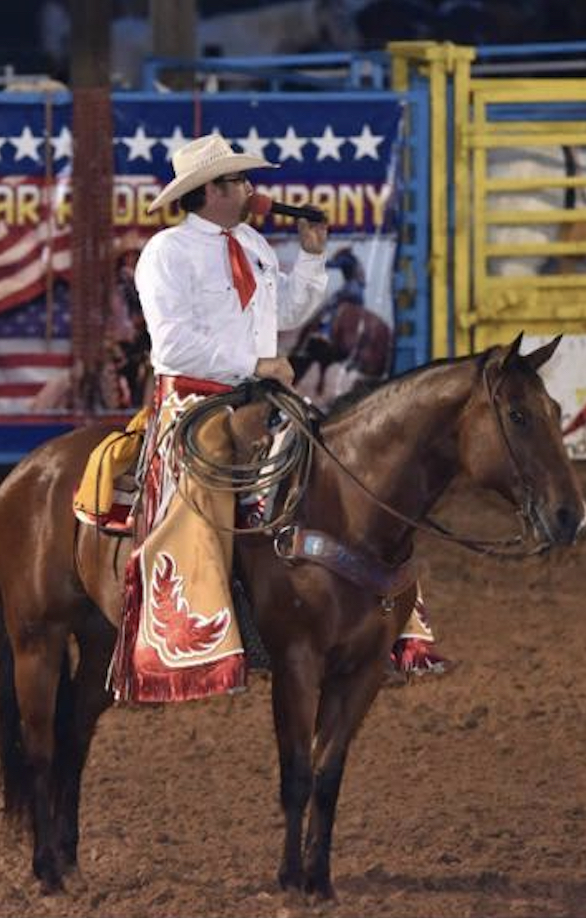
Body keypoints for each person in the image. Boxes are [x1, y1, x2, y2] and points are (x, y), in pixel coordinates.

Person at [109, 133, 444, 704]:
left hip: (262, 395)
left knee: (339, 465)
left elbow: (285, 309)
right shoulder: (166, 254)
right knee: (204, 489)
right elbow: (172, 344)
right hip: (195, 401)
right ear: (211, 190)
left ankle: (363, 615)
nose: (250, 188)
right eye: (239, 180)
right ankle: (198, 632)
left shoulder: (252, 243)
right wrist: (253, 362)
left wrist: (312, 256)